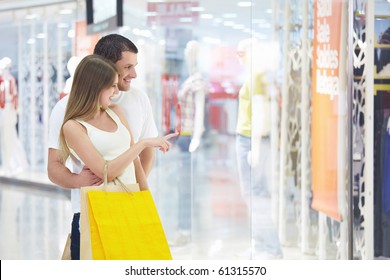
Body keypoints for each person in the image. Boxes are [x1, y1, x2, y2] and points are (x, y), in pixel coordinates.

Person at [47, 34, 160, 259]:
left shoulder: (137, 100)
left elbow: (144, 155)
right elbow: (54, 167)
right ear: (105, 65)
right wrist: (80, 181)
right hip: (90, 210)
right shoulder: (65, 109)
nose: (134, 74)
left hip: (127, 207)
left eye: (135, 66)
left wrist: (131, 193)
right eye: (128, 67)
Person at [235, 38, 282, 259]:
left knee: (257, 195)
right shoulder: (254, 75)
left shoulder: (258, 75)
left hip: (252, 139)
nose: (239, 57)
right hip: (247, 138)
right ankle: (260, 245)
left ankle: (271, 248)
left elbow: (262, 113)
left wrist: (255, 146)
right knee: (251, 195)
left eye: (242, 53)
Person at [170, 40, 208, 246]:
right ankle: (185, 229)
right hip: (183, 136)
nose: (187, 55)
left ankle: (185, 230)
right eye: (186, 51)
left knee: (186, 187)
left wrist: (196, 138)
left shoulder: (198, 81)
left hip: (189, 137)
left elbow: (200, 111)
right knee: (183, 185)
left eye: (192, 52)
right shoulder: (190, 79)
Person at [0, 57, 28, 176]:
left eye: (7, 68)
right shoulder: (2, 81)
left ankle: (11, 166)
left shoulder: (11, 81)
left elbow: (14, 98)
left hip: (9, 113)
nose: (5, 70)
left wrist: (16, 111)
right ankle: (7, 165)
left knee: (10, 140)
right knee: (4, 141)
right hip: (2, 113)